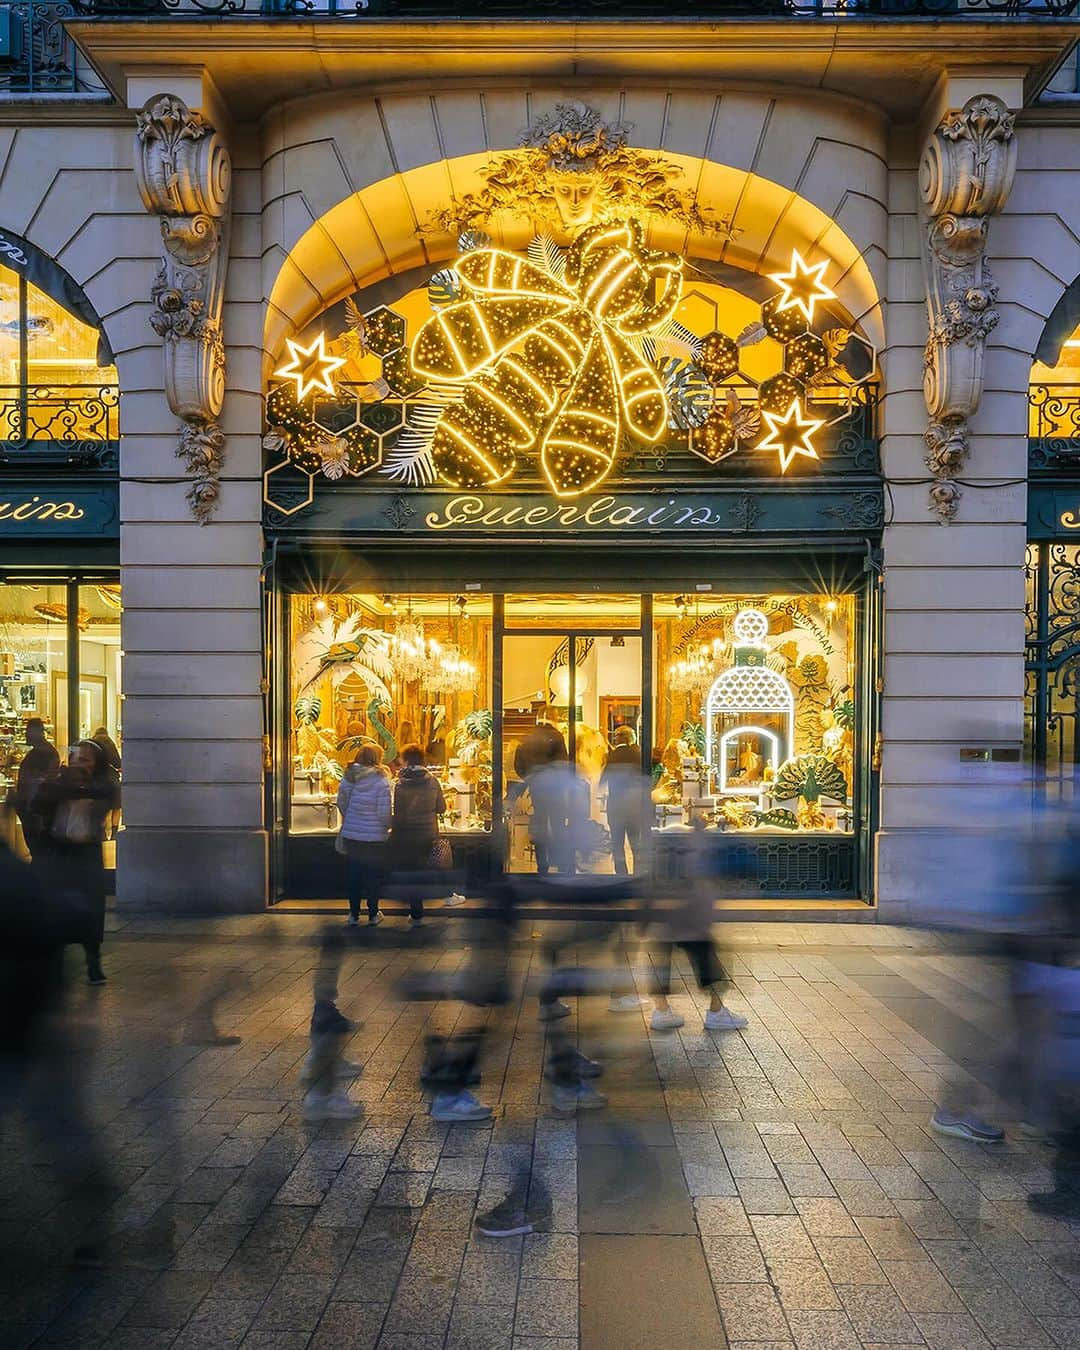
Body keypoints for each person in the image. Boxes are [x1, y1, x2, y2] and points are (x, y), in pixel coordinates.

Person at [32, 740, 119, 986]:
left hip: (86, 852)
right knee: (56, 907)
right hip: (60, 850)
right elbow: (38, 804)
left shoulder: (101, 785)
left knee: (91, 909)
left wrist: (76, 784)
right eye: (76, 759)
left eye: (86, 760)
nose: (78, 765)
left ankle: (93, 961)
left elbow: (107, 794)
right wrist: (60, 783)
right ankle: (55, 961)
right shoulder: (58, 784)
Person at [389, 743, 446, 928]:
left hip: (406, 834)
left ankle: (415, 911)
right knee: (424, 868)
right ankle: (422, 904)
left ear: (405, 760)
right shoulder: (433, 781)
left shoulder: (399, 783)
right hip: (428, 833)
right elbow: (441, 808)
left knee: (411, 869)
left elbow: (398, 812)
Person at [336, 744, 391, 926]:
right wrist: (387, 826)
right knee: (372, 876)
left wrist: (351, 818)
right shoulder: (381, 780)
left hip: (353, 835)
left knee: (354, 874)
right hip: (374, 837)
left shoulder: (349, 777)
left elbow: (341, 803)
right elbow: (384, 812)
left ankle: (353, 914)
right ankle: (373, 914)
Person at [600, 726, 644, 876]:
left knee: (617, 844)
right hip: (635, 806)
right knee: (636, 844)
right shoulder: (640, 754)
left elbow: (603, 780)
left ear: (620, 738)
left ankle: (621, 875)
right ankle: (638, 875)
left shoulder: (613, 755)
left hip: (616, 805)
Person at [12, 717, 59, 858]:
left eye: (29, 731)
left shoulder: (44, 753)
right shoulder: (42, 752)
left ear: (38, 732)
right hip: (33, 806)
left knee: (38, 848)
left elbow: (41, 780)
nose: (26, 734)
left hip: (35, 808)